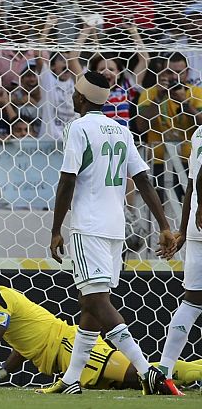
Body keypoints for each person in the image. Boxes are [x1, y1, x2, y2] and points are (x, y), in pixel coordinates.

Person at [45, 71, 179, 395]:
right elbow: (145, 180)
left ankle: (147, 371)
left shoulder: (78, 128)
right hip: (115, 228)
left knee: (97, 301)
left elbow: (67, 180)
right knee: (89, 305)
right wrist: (163, 225)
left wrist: (55, 230)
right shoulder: (121, 131)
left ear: (80, 97)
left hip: (88, 227)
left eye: (74, 94)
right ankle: (71, 380)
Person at [0, 271, 202, 389]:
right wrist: (1, 374)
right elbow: (26, 346)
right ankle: (189, 372)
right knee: (141, 381)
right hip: (65, 357)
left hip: (70, 347)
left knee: (144, 376)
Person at [159, 124, 202, 387]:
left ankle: (163, 370)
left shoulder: (197, 132)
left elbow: (190, 185)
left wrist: (184, 230)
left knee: (192, 302)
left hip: (197, 225)